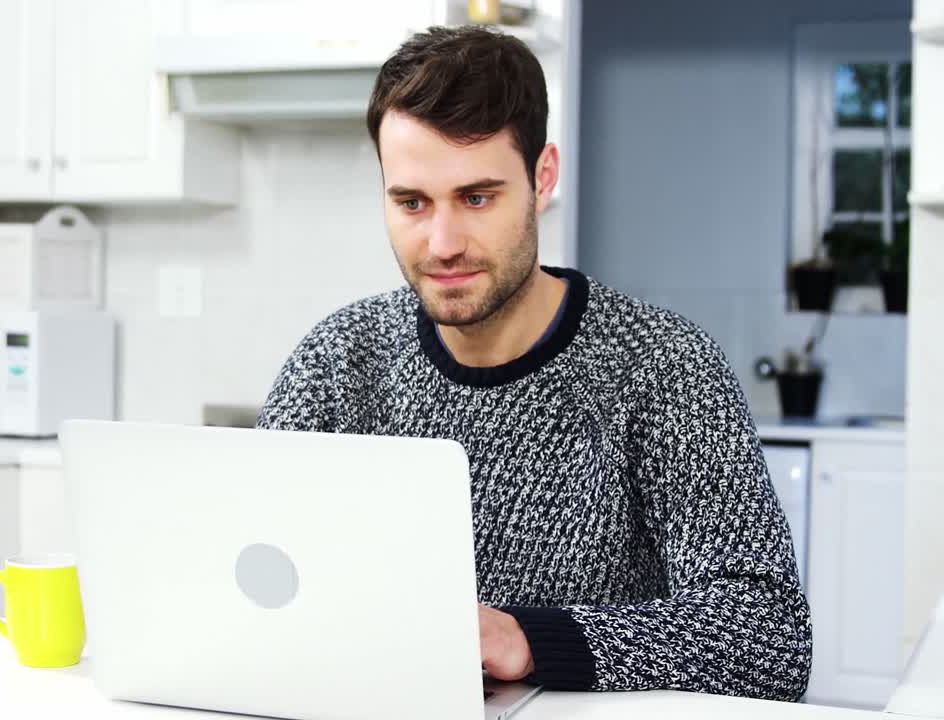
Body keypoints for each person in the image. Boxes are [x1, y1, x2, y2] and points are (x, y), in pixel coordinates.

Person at [256, 25, 811, 700]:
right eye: (411, 203)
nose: (443, 243)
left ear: (542, 177)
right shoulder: (336, 360)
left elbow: (770, 636)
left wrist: (530, 640)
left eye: (478, 197)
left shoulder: (666, 368)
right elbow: (253, 574)